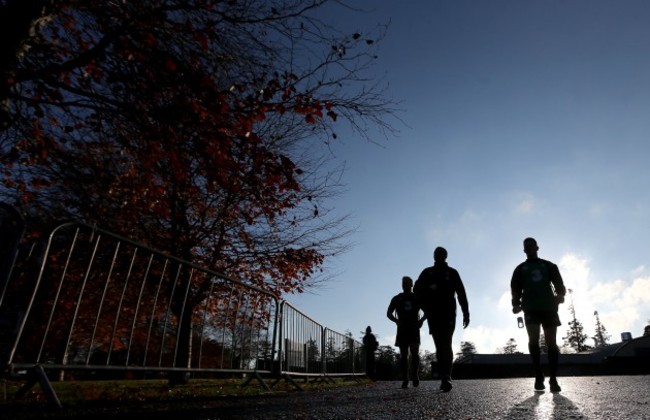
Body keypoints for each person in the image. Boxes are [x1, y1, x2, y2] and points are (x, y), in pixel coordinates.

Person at [511, 237, 566, 393]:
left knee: (551, 343)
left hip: (549, 307)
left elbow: (558, 283)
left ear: (537, 247)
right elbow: (515, 288)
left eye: (531, 245)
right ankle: (538, 375)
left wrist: (560, 294)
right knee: (533, 339)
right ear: (524, 250)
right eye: (526, 246)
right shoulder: (520, 269)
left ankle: (553, 379)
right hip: (530, 308)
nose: (529, 248)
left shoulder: (548, 265)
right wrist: (515, 303)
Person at [414, 247, 469, 392]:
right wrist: (424, 307)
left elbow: (461, 292)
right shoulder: (427, 273)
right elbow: (417, 290)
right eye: (436, 254)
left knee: (447, 342)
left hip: (449, 313)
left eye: (441, 254)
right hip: (433, 314)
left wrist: (466, 312)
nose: (438, 256)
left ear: (446, 256)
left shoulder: (452, 272)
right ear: (433, 256)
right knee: (439, 344)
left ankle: (446, 376)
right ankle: (444, 375)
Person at [387, 276, 426, 388]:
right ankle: (405, 378)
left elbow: (427, 311)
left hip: (414, 328)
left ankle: (415, 375)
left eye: (407, 283)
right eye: (404, 283)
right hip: (402, 328)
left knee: (415, 353)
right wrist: (396, 321)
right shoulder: (397, 298)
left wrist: (421, 321)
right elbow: (388, 313)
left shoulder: (417, 297)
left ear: (412, 284)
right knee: (404, 355)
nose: (405, 285)